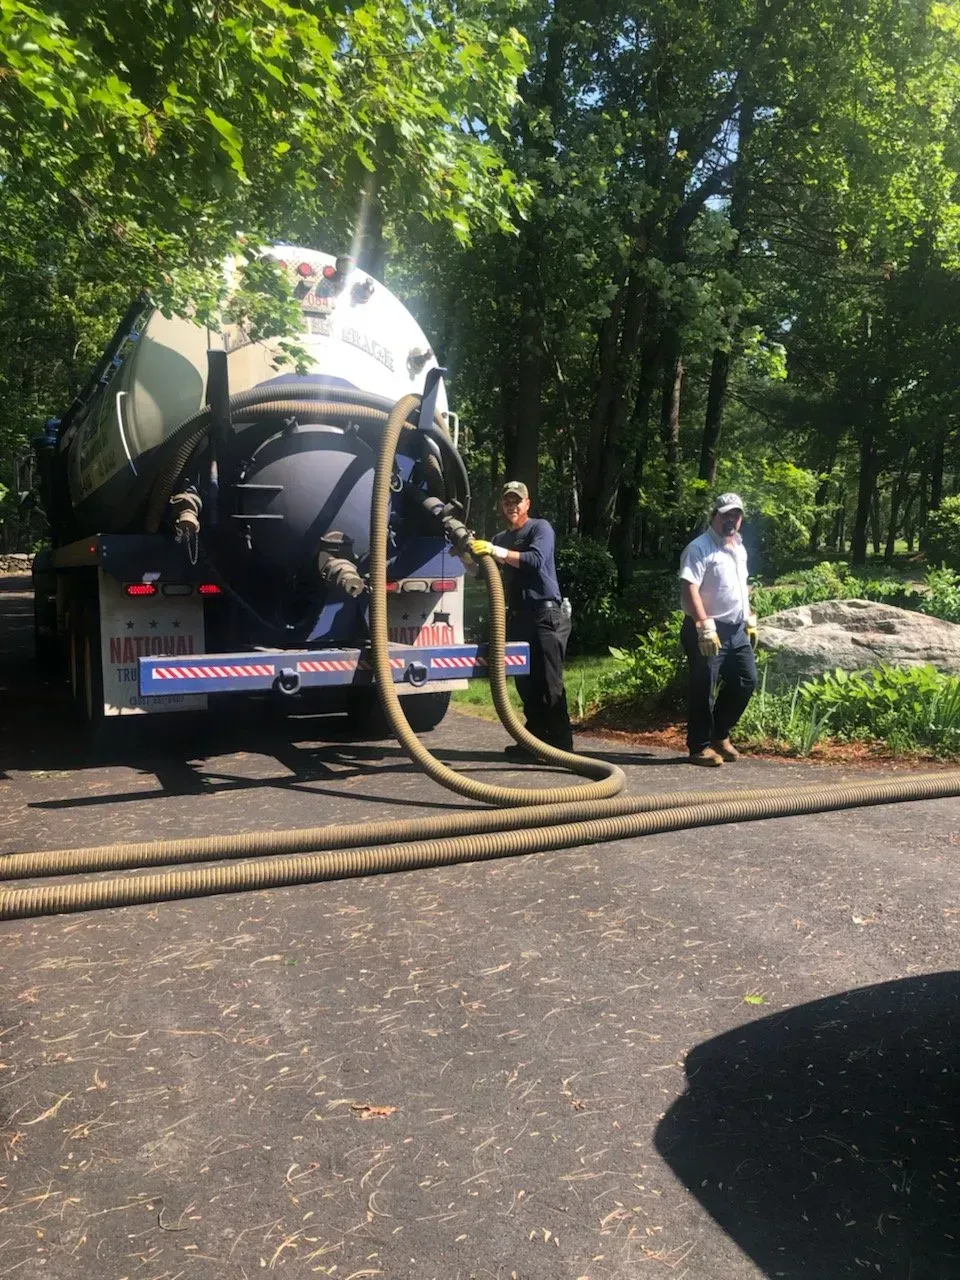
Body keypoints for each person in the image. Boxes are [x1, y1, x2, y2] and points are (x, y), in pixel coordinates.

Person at [469, 481, 573, 755]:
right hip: (519, 617)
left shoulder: (540, 528)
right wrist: (465, 553)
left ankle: (562, 747)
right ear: (502, 506)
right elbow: (480, 572)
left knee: (549, 683)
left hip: (545, 613)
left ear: (527, 503)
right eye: (507, 502)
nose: (512, 506)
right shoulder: (500, 538)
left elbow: (535, 560)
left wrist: (497, 552)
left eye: (517, 501)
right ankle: (534, 742)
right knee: (525, 684)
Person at [678, 493, 759, 767]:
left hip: (736, 630)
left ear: (741, 518)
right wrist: (703, 625)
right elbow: (689, 588)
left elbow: (739, 585)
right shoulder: (699, 548)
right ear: (714, 516)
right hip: (707, 630)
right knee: (704, 687)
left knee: (746, 681)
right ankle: (699, 747)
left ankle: (719, 735)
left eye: (735, 515)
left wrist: (749, 616)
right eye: (725, 514)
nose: (731, 520)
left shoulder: (738, 547)